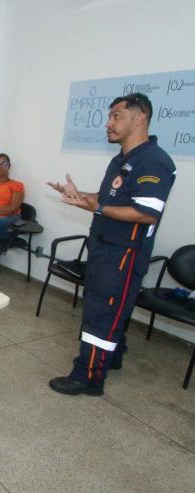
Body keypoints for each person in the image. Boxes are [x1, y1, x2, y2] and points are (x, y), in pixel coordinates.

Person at [46, 93, 176, 396]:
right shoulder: (123, 160)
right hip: (106, 250)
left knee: (101, 314)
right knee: (107, 311)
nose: (108, 123)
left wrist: (97, 208)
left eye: (116, 116)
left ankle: (88, 377)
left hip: (123, 256)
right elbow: (109, 201)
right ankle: (110, 357)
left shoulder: (153, 161)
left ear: (140, 117)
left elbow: (146, 213)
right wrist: (81, 197)